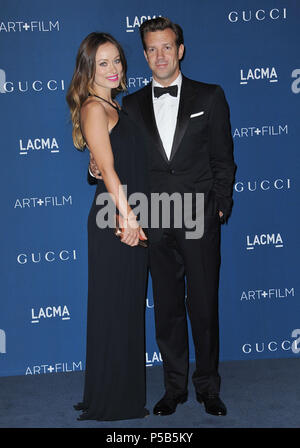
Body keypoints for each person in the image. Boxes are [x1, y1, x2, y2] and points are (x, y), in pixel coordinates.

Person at [90, 17, 236, 417]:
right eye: (152, 48)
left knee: (204, 307)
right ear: (145, 53)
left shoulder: (210, 97)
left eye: (167, 47)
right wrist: (94, 167)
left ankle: (208, 386)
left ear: (180, 50)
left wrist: (219, 205)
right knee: (168, 310)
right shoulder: (131, 105)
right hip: (154, 221)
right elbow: (114, 154)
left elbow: (224, 158)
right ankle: (174, 388)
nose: (159, 55)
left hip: (199, 218)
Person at [66, 32, 149, 421]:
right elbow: (110, 171)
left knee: (126, 308)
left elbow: (106, 163)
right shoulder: (94, 109)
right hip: (114, 217)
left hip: (128, 211)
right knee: (114, 308)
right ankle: (113, 399)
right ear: (88, 69)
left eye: (117, 60)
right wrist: (127, 215)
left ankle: (117, 389)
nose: (114, 68)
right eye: (103, 63)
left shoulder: (116, 106)